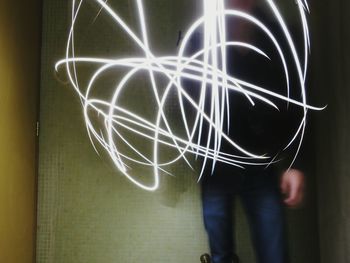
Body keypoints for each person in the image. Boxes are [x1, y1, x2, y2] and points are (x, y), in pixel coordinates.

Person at [186, 1, 306, 262]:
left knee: (275, 255)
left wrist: (295, 162)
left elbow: (295, 101)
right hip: (216, 164)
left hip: (261, 163)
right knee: (221, 256)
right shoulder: (201, 38)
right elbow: (189, 100)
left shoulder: (278, 37)